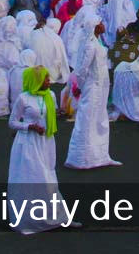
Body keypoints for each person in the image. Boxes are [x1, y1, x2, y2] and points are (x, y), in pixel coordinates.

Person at [7, 66, 68, 235]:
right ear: (37, 81)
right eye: (46, 79)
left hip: (46, 142)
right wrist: (30, 126)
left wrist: (60, 113)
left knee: (49, 177)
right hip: (28, 143)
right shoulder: (23, 98)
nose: (49, 81)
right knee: (33, 177)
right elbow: (12, 123)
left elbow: (51, 114)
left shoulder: (51, 95)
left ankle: (54, 217)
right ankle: (28, 219)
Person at [65, 21, 118, 168]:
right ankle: (81, 158)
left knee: (100, 119)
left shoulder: (98, 41)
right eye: (100, 23)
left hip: (101, 86)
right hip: (92, 86)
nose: (103, 25)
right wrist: (81, 87)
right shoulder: (90, 45)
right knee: (87, 120)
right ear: (94, 26)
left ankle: (100, 156)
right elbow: (82, 69)